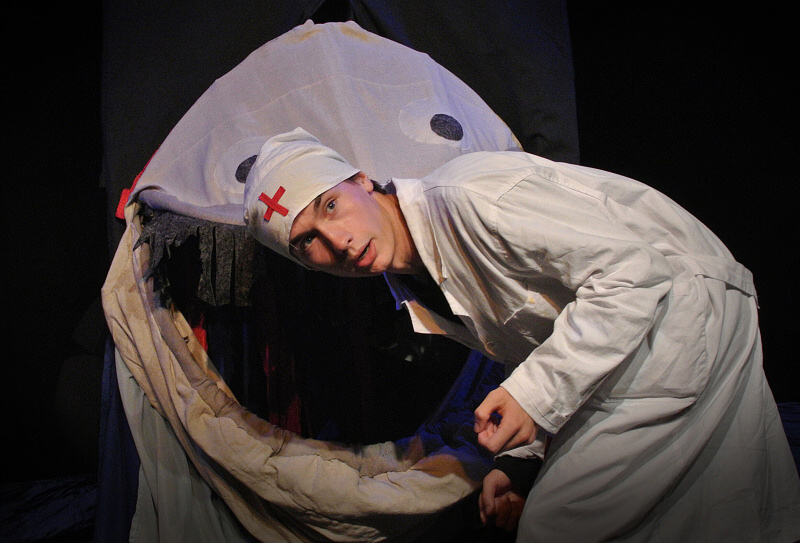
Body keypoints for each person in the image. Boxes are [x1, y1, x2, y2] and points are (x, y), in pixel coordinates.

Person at [243, 127, 800, 542]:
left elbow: (633, 272)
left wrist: (533, 397)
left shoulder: (471, 198)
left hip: (677, 305)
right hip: (646, 321)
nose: (337, 240)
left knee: (561, 525)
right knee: (714, 513)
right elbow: (543, 338)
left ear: (362, 181)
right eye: (307, 242)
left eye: (332, 205)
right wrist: (520, 462)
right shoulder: (411, 281)